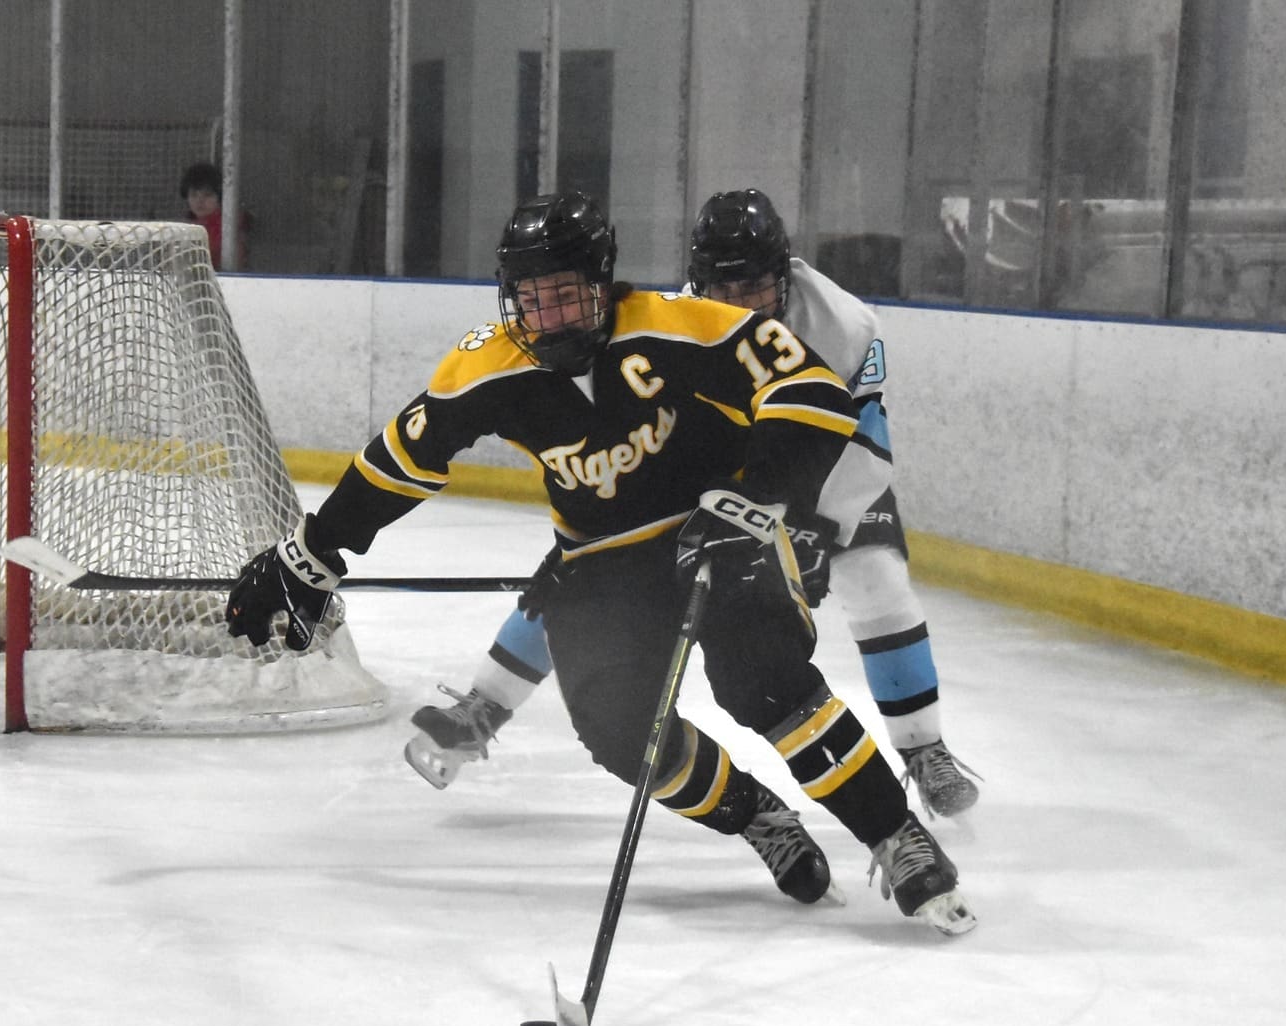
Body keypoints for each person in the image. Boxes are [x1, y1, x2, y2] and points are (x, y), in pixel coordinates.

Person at [225, 191, 975, 935]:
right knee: (621, 732)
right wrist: (311, 552)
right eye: (531, 300)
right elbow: (401, 460)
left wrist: (749, 504)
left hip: (714, 539)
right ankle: (758, 817)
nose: (548, 317)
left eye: (566, 297)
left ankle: (894, 831)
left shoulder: (683, 327)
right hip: (604, 564)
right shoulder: (486, 365)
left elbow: (811, 395)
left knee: (763, 682)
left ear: (603, 284)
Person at [404, 189, 983, 824]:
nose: (738, 305)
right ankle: (486, 705)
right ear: (697, 279)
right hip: (730, 479)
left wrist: (815, 525)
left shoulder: (845, 325)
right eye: (721, 288)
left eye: (755, 288)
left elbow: (865, 443)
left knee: (879, 582)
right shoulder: (684, 321)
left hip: (833, 477)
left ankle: (925, 749)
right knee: (585, 569)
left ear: (784, 274)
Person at [179, 161, 249, 268]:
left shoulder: (230, 228)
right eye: (194, 195)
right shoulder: (182, 228)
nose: (200, 201)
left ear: (219, 198)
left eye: (207, 195)